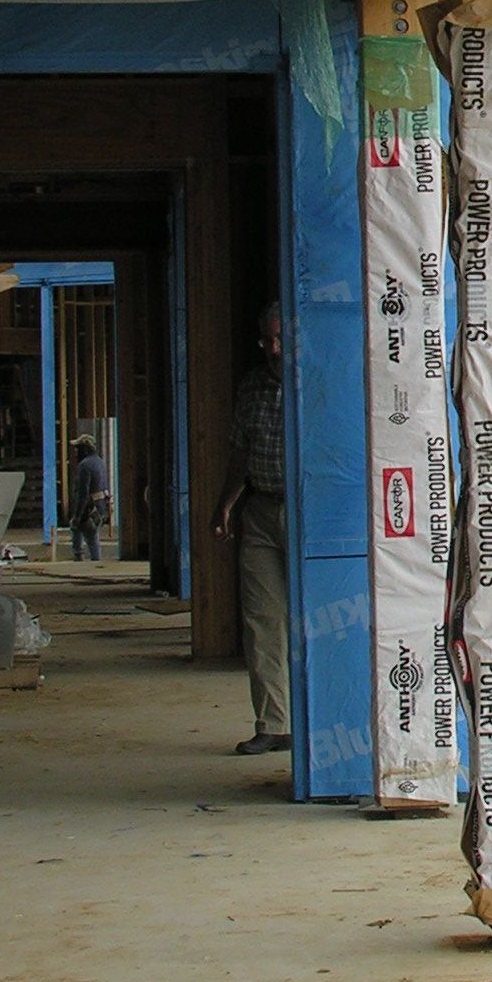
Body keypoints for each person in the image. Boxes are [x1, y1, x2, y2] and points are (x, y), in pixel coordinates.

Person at [213, 302, 289, 757]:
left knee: (321, 619)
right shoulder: (253, 388)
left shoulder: (315, 382)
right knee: (263, 619)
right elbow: (240, 454)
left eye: (280, 339)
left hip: (311, 512)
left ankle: (324, 720)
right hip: (260, 509)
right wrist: (225, 503)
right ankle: (273, 723)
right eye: (266, 340)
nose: (273, 349)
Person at [66, 434, 110, 565]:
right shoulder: (99, 462)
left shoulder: (84, 465)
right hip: (100, 506)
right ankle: (91, 561)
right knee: (91, 536)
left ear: (85, 449)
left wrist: (77, 516)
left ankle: (82, 560)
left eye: (78, 448)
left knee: (88, 536)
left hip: (90, 508)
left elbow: (83, 494)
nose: (75, 452)